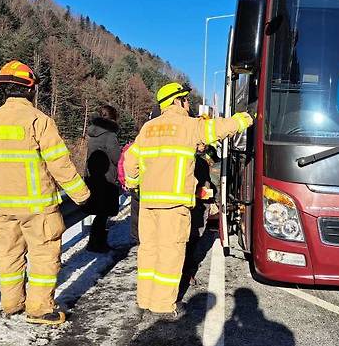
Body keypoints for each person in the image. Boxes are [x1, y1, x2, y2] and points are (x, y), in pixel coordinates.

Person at [123, 82, 253, 318]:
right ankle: (163, 305)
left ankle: (144, 299)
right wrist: (244, 119)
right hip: (174, 205)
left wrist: (134, 184)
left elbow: (130, 162)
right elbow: (219, 128)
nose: (188, 103)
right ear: (176, 101)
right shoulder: (188, 125)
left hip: (148, 204)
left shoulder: (147, 128)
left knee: (148, 252)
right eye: (185, 99)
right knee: (170, 254)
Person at [0, 60, 90, 325]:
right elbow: (60, 164)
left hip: (4, 205)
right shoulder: (39, 120)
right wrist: (82, 196)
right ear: (30, 89)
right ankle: (39, 309)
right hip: (38, 206)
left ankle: (12, 302)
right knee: (43, 256)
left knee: (9, 255)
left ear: (3, 88)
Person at [84, 105, 121, 253]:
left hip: (93, 178)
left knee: (100, 212)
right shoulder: (110, 135)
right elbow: (116, 157)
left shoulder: (93, 133)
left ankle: (95, 242)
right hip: (106, 179)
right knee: (103, 212)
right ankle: (97, 244)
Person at [182, 143, 220, 286]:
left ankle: (183, 273)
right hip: (196, 207)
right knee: (191, 242)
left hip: (180, 207)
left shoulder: (183, 160)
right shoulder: (201, 164)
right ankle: (186, 274)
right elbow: (206, 187)